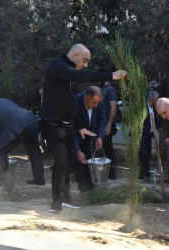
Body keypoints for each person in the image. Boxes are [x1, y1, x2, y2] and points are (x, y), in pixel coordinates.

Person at [39, 43, 127, 213]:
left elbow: (71, 103)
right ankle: (56, 201)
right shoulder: (58, 66)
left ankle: (65, 198)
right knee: (62, 161)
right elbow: (81, 76)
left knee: (71, 162)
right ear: (75, 55)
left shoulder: (68, 73)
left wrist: (79, 126)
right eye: (85, 60)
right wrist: (111, 75)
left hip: (68, 126)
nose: (86, 65)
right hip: (52, 123)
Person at [0, 98, 44, 186]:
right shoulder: (1, 100)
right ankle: (39, 179)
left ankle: (3, 179)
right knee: (34, 152)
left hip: (17, 125)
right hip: (32, 122)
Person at [74, 86, 106, 192]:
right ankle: (82, 187)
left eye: (98, 103)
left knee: (87, 159)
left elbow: (102, 119)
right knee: (77, 161)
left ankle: (89, 186)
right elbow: (70, 129)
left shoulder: (99, 102)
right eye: (94, 103)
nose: (96, 106)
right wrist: (77, 150)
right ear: (86, 97)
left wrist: (100, 136)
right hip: (75, 136)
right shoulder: (75, 102)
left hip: (89, 135)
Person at [98, 70, 118, 180]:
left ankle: (101, 173)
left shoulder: (110, 90)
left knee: (99, 148)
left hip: (107, 125)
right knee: (108, 149)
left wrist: (109, 125)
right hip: (102, 124)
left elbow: (113, 107)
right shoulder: (102, 89)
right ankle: (111, 174)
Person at [138, 91, 161, 180]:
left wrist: (159, 127)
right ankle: (141, 173)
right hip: (141, 134)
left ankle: (146, 171)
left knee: (148, 153)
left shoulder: (154, 107)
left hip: (149, 133)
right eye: (157, 99)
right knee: (142, 153)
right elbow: (136, 121)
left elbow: (155, 119)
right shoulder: (142, 107)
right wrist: (138, 133)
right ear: (153, 99)